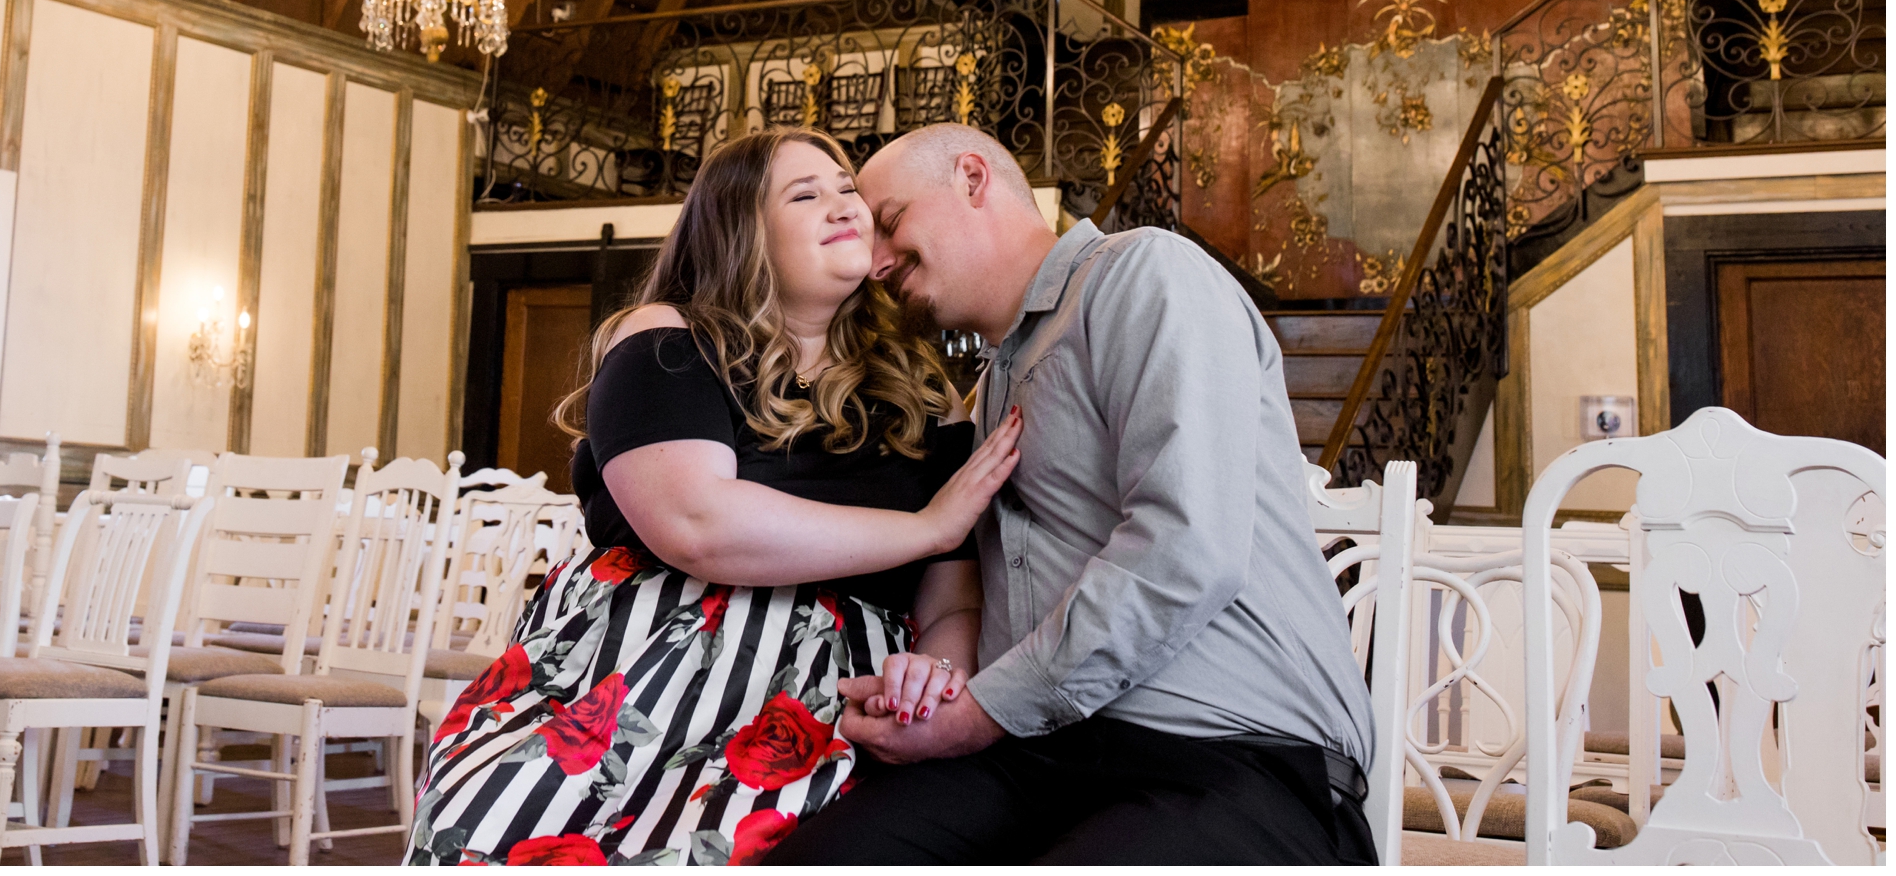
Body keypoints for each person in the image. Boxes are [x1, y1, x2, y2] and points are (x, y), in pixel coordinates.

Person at [407, 128, 1022, 866]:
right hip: (639, 672)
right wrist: (924, 527)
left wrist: (935, 676)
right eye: (806, 194)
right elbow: (697, 523)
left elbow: (953, 601)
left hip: (829, 698)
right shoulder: (669, 339)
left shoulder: (926, 393)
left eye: (847, 188)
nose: (844, 206)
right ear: (740, 232)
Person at [769, 124, 1377, 866]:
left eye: (890, 223)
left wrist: (984, 712)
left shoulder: (1146, 273)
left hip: (1232, 753)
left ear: (971, 178)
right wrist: (927, 683)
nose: (876, 262)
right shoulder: (984, 396)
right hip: (1040, 754)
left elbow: (1186, 551)